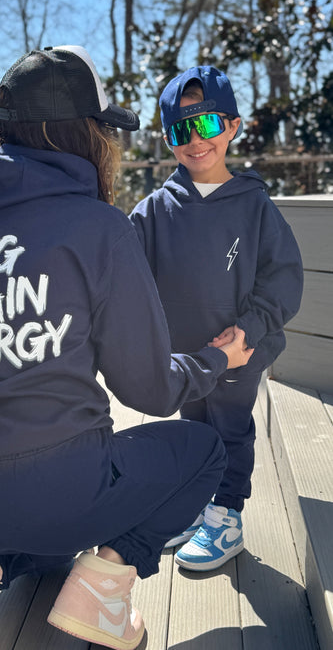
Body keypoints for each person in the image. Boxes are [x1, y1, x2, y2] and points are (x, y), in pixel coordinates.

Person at [0, 47, 254, 650]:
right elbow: (148, 389)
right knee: (201, 452)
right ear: (84, 134)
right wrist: (217, 361)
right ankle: (105, 589)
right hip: (61, 490)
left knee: (44, 544)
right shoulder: (97, 228)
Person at [129, 65, 303, 573]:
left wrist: (251, 327)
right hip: (184, 357)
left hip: (239, 352)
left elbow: (283, 277)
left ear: (232, 126)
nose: (195, 141)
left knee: (230, 429)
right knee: (194, 429)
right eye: (182, 131)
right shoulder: (154, 212)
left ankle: (227, 515)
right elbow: (125, 277)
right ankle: (200, 505)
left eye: (207, 126)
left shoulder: (255, 206)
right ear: (167, 140)